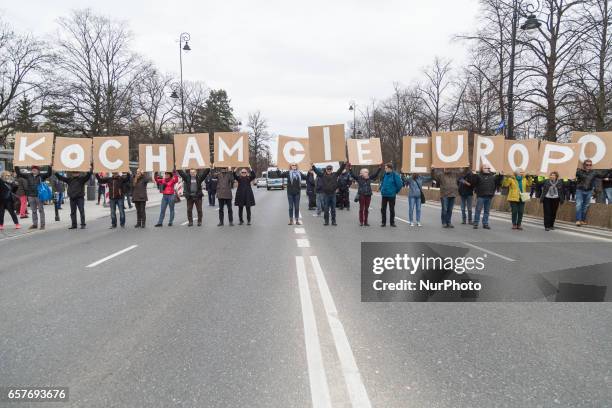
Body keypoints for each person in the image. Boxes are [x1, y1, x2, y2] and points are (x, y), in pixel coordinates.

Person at [15, 165, 52, 230]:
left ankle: (42, 225)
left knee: (41, 210)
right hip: (30, 196)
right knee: (33, 211)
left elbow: (49, 174)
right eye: (32, 169)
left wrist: (49, 166)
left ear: (38, 170)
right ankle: (35, 224)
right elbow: (19, 173)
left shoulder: (42, 175)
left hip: (39, 196)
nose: (33, 170)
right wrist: (16, 166)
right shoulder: (28, 175)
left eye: (35, 169)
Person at [470, 165, 502, 230]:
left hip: (489, 196)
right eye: (486, 168)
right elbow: (473, 183)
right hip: (481, 196)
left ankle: (485, 223)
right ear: (482, 169)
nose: (488, 169)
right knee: (478, 210)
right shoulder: (478, 175)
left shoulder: (493, 176)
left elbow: (498, 182)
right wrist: (474, 175)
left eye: (488, 168)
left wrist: (501, 175)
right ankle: (476, 223)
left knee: (487, 211)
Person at [574, 160, 602, 226]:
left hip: (589, 191)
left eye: (590, 165)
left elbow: (602, 174)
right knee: (579, 204)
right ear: (584, 165)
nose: (588, 166)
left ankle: (582, 220)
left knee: (585, 206)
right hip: (580, 190)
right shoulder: (579, 171)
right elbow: (571, 172)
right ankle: (578, 220)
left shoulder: (594, 172)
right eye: (587, 164)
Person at [379, 163, 403, 227]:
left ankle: (392, 222)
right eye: (385, 168)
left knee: (391, 209)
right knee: (383, 209)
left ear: (390, 168)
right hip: (384, 194)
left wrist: (395, 191)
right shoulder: (385, 175)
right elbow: (382, 182)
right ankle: (383, 222)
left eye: (386, 168)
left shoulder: (395, 175)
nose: (385, 169)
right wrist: (381, 188)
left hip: (392, 195)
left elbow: (400, 184)